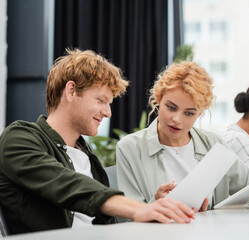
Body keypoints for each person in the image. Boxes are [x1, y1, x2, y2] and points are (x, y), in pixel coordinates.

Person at [0, 49, 196, 235]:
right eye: (101, 100)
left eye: (109, 103)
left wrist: (155, 206)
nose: (108, 112)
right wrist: (136, 209)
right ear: (71, 91)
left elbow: (106, 225)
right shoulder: (19, 138)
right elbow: (67, 184)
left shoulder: (88, 158)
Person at [116, 62, 249, 211]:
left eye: (189, 113)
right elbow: (127, 214)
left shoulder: (214, 144)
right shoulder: (130, 147)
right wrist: (156, 205)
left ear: (199, 113)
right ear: (158, 99)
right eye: (171, 107)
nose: (177, 119)